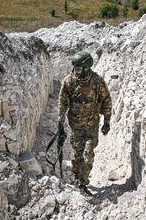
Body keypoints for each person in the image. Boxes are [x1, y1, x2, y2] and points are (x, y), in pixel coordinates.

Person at [58, 51, 112, 195]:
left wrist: (107, 121)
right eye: (75, 67)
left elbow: (106, 100)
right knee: (76, 155)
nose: (76, 70)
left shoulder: (97, 81)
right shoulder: (69, 81)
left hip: (92, 126)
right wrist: (60, 120)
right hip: (75, 127)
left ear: (87, 67)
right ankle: (77, 177)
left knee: (88, 156)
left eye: (79, 67)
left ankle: (83, 182)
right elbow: (63, 102)